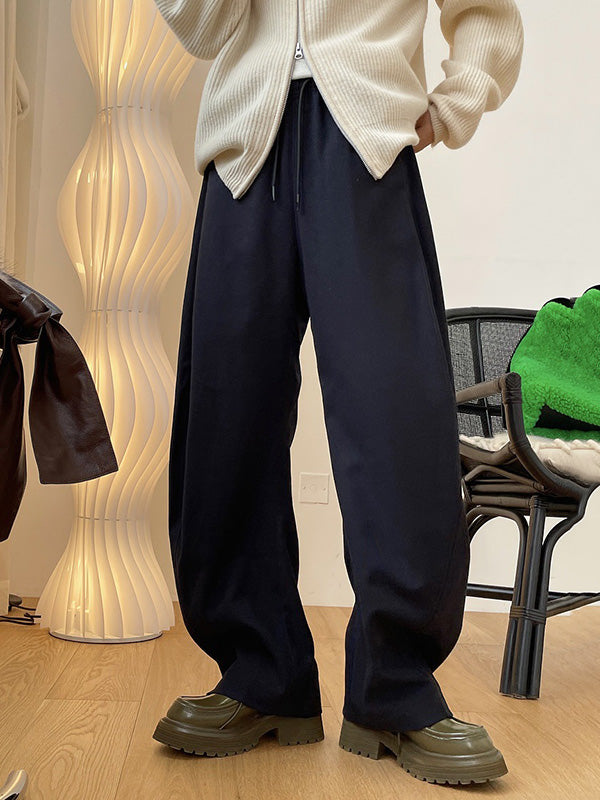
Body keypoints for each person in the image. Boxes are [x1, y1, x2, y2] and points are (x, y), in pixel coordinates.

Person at [151, 0, 524, 785]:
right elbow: (199, 27)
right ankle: (260, 677)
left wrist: (454, 102)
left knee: (394, 416)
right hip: (242, 150)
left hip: (367, 146)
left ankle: (396, 691)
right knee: (227, 414)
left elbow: (485, 13)